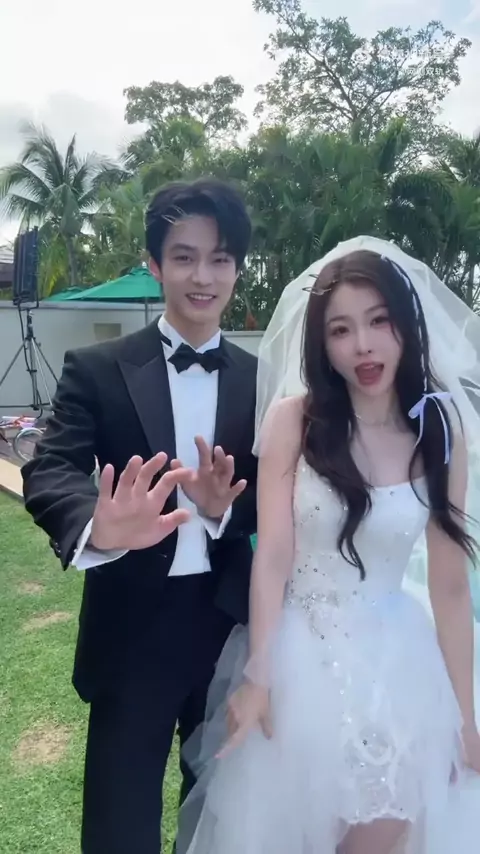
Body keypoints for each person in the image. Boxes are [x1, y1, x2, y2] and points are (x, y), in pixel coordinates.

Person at [176, 236, 480, 854]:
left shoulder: (440, 427)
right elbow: (273, 558)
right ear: (322, 343)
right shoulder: (295, 420)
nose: (362, 345)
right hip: (300, 660)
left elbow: (450, 588)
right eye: (341, 330)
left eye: (379, 321)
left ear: (406, 325)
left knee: (386, 833)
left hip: (400, 666)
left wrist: (465, 719)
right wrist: (259, 677)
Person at [21, 177, 258, 854]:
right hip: (131, 629)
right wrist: (98, 525)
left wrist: (225, 512)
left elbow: (275, 498)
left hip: (226, 628)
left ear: (236, 268)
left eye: (219, 259)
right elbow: (51, 466)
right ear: (154, 263)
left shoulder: (261, 379)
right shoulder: (97, 369)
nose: (202, 276)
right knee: (119, 827)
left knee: (218, 820)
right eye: (184, 257)